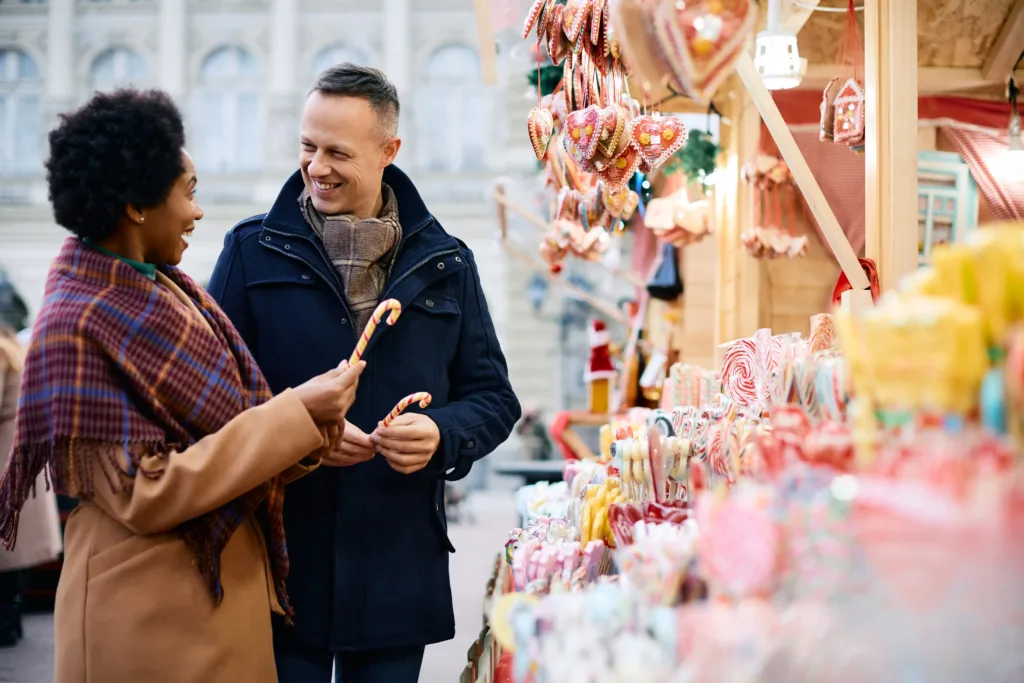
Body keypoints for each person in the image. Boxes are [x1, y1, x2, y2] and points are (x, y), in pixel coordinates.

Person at [0, 88, 366, 683]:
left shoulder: (167, 287)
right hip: (149, 616)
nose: (197, 213)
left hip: (210, 597)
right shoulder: (76, 320)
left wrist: (311, 434)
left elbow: (226, 430)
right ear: (138, 204)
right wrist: (295, 415)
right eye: (188, 192)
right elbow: (145, 492)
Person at [207, 64, 521, 683]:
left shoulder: (446, 262)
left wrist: (441, 436)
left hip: (396, 563)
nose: (316, 166)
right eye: (307, 146)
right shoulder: (249, 251)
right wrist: (298, 431)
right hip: (278, 564)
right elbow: (212, 399)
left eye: (337, 152)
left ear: (388, 152)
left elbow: (493, 398)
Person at [0, 324, 62, 647]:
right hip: (20, 452)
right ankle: (11, 620)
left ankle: (6, 623)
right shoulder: (14, 347)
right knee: (14, 553)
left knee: (7, 553)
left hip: (5, 457)